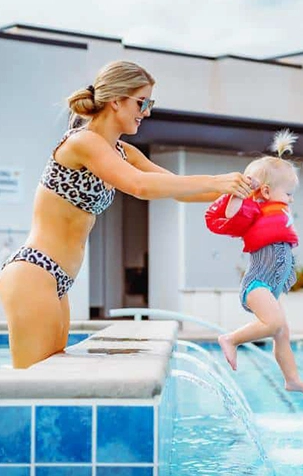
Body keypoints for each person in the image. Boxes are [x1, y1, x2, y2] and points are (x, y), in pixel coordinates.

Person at [0, 61, 253, 369]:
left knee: (52, 374)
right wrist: (216, 181)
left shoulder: (123, 152)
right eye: (142, 102)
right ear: (117, 99)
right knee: (33, 383)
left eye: (150, 103)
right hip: (34, 271)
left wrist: (242, 187)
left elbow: (177, 189)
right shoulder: (83, 142)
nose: (146, 112)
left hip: (58, 278)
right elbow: (139, 185)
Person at [205, 129, 303, 395]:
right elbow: (231, 216)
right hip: (257, 283)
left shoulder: (277, 210)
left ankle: (292, 380)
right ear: (266, 191)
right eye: (288, 193)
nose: (291, 199)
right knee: (274, 324)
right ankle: (231, 339)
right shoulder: (252, 210)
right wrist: (239, 194)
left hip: (271, 286)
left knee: (282, 333)